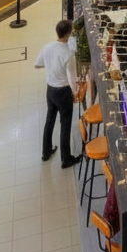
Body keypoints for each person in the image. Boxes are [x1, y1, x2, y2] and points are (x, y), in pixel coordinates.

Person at [35, 20, 80, 168]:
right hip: (63, 92)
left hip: (50, 90)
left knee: (50, 119)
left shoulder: (47, 47)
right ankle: (66, 159)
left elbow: (37, 64)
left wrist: (51, 65)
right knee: (65, 124)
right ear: (68, 33)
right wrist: (75, 93)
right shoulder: (68, 54)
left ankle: (46, 151)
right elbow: (72, 78)